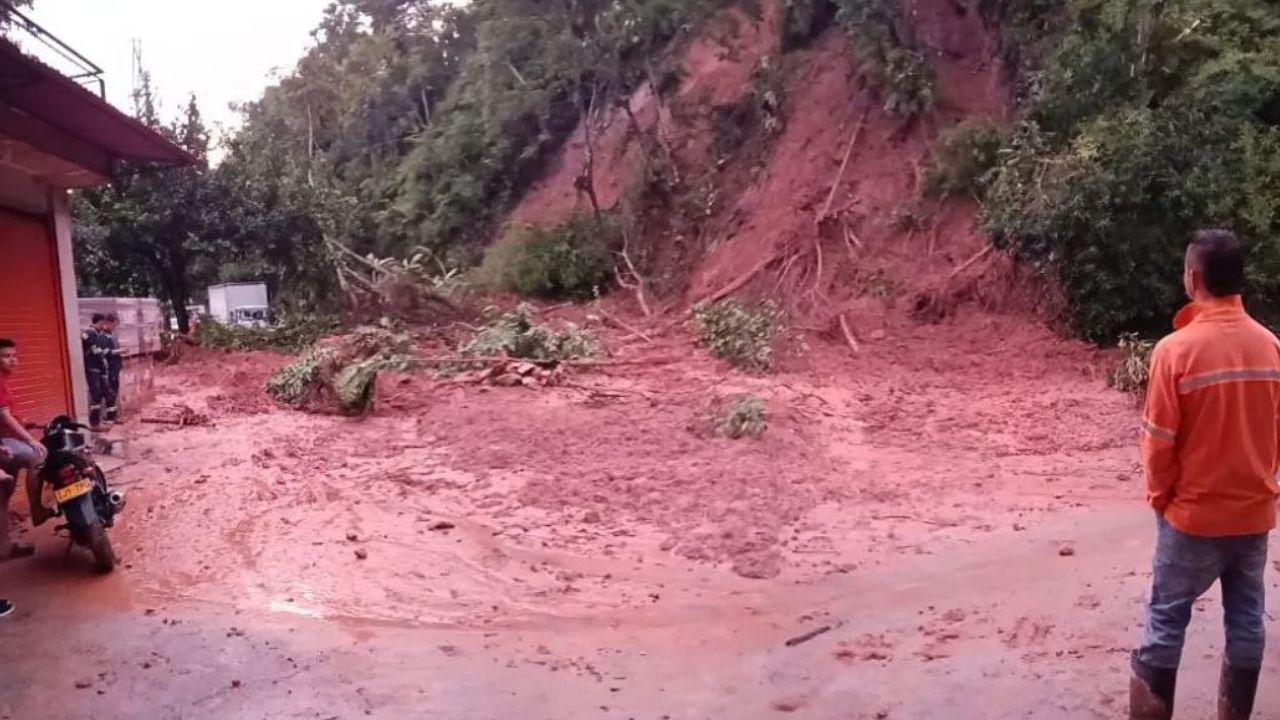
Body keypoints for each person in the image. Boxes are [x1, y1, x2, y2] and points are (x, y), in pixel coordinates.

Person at [1130, 229, 1280, 720]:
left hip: (1192, 518)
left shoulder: (1175, 351)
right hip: (1254, 514)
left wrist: (1161, 499)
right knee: (1246, 622)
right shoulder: (1271, 347)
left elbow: (1158, 444)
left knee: (1165, 623)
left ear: (1193, 278)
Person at [0, 338, 50, 552]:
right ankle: (37, 509)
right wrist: (30, 439)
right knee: (37, 454)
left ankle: (4, 547)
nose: (12, 360)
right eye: (5, 356)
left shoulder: (4, 381)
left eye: (13, 356)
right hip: (5, 445)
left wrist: (25, 425)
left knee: (2, 497)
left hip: (5, 444)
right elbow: (4, 416)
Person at [82, 314, 110, 429]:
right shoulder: (90, 334)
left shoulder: (94, 334)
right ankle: (95, 423)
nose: (103, 326)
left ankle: (98, 420)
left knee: (99, 394)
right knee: (95, 395)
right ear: (99, 322)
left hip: (97, 368)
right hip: (93, 368)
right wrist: (103, 357)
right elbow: (96, 351)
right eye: (102, 324)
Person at [102, 313, 122, 423]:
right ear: (108, 323)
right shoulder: (104, 336)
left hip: (114, 367)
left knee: (114, 391)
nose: (115, 327)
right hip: (110, 368)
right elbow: (106, 352)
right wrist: (120, 351)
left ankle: (113, 415)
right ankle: (110, 416)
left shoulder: (110, 335)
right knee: (111, 391)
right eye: (114, 325)